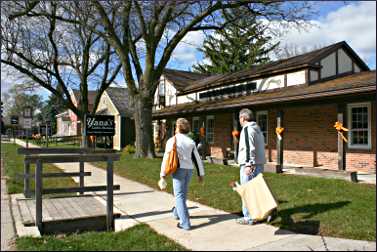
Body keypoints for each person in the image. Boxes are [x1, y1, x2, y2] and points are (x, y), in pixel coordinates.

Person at [160, 118, 205, 230]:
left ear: (178, 128)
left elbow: (166, 158)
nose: (175, 128)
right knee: (182, 195)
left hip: (178, 170)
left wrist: (162, 174)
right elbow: (197, 159)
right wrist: (201, 174)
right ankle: (176, 213)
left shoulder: (172, 140)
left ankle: (185, 223)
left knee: (179, 196)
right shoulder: (191, 141)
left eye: (176, 126)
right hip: (189, 170)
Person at [236, 108, 266, 225]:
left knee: (247, 191)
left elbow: (249, 148)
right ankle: (260, 214)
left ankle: (248, 217)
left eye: (239, 118)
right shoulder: (257, 129)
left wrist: (249, 164)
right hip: (258, 163)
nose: (239, 120)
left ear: (243, 118)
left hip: (250, 164)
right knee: (256, 190)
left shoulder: (247, 129)